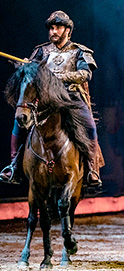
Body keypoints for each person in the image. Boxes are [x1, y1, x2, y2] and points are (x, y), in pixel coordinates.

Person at [0, 11, 102, 187]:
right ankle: (14, 165)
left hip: (70, 98)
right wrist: (24, 65)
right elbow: (30, 73)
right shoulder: (41, 51)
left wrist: (62, 76)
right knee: (19, 119)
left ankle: (92, 169)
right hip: (46, 100)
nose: (53, 31)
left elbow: (85, 74)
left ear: (68, 30)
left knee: (89, 126)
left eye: (58, 28)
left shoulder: (79, 51)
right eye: (52, 28)